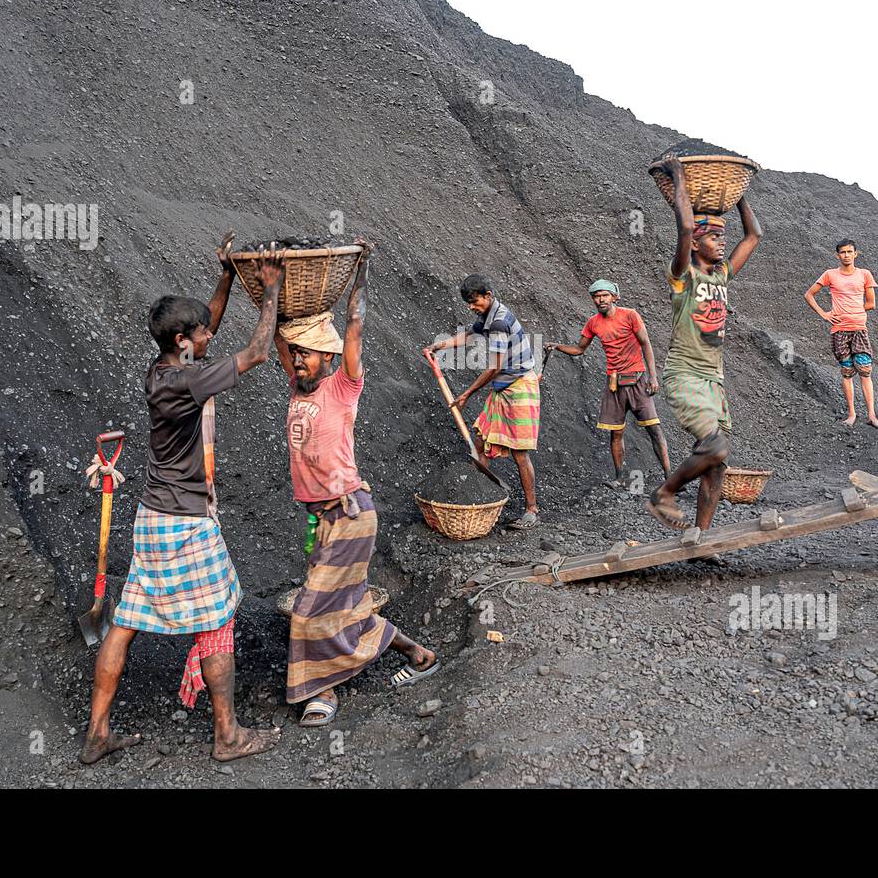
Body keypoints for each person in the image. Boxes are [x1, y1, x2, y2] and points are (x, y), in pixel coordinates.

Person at [79, 233, 282, 765]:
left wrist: (227, 278)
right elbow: (259, 351)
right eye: (200, 332)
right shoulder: (186, 383)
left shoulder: (164, 369)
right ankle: (227, 736)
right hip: (184, 521)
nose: (207, 334)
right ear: (184, 341)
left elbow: (206, 328)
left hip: (151, 516)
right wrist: (272, 291)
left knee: (125, 623)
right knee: (217, 619)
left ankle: (97, 734)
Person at [272, 239, 438, 727]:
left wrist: (361, 272)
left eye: (307, 355)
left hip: (349, 511)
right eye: (296, 355)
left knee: (309, 611)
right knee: (348, 606)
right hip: (322, 518)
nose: (299, 361)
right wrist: (273, 289)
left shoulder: (342, 387)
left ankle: (323, 691)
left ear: (327, 358)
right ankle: (421, 656)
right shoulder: (297, 384)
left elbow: (355, 328)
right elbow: (279, 341)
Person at [645, 155, 763, 533]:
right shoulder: (683, 276)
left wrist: (737, 194)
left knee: (718, 464)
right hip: (685, 374)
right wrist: (679, 175)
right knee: (715, 448)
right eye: (713, 237)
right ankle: (664, 493)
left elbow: (754, 236)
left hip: (714, 380)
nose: (721, 242)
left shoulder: (723, 274)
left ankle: (702, 538)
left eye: (721, 237)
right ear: (695, 244)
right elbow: (682, 228)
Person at [423, 273, 541, 529]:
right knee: (481, 439)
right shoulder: (487, 316)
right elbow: (468, 335)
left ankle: (531, 510)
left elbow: (494, 367)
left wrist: (466, 394)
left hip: (519, 386)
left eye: (475, 302)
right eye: (469, 303)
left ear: (488, 296)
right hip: (504, 386)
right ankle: (475, 499)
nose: (471, 307)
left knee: (520, 452)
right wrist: (440, 346)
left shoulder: (499, 322)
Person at [544, 278, 670, 488]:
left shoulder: (630, 315)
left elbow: (645, 343)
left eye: (604, 295)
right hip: (614, 383)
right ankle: (620, 478)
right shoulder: (593, 323)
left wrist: (653, 377)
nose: (600, 299)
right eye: (596, 296)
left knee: (654, 429)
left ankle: (670, 478)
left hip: (638, 380)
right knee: (616, 432)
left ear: (614, 296)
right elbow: (579, 349)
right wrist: (557, 346)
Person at [804, 240, 878, 428]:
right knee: (847, 372)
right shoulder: (830, 275)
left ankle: (872, 415)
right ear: (837, 255)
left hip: (859, 329)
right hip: (839, 330)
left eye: (849, 252)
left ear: (856, 254)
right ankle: (852, 414)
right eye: (842, 252)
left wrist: (853, 309)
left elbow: (871, 303)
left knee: (865, 371)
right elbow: (809, 294)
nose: (846, 255)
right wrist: (824, 314)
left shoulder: (865, 275)